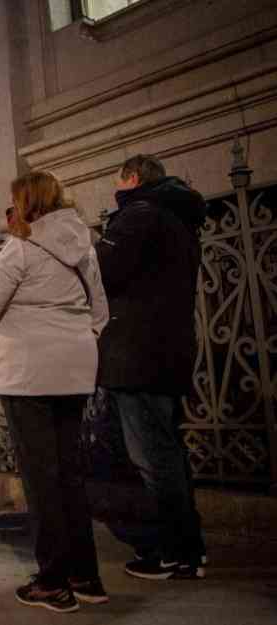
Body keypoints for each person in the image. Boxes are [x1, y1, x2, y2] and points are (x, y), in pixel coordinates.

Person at [0, 171, 109, 613]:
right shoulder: (83, 247)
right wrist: (73, 346)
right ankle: (86, 576)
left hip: (28, 375)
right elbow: (99, 312)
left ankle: (52, 581)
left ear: (26, 204)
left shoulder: (20, 249)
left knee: (41, 478)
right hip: (75, 370)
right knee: (69, 473)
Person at [95, 155, 208, 581]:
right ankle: (188, 546)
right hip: (168, 352)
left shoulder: (140, 217)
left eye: (118, 178)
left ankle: (176, 551)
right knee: (168, 452)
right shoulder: (179, 222)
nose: (116, 186)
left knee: (153, 458)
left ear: (134, 178)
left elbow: (102, 271)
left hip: (138, 355)